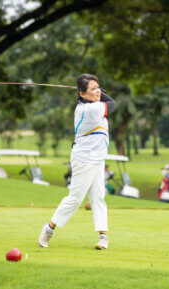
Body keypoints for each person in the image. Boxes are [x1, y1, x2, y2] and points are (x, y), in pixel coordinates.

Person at [38, 73, 116, 250]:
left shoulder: (91, 103)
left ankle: (103, 236)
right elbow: (112, 103)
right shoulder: (90, 109)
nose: (97, 92)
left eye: (98, 87)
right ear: (82, 94)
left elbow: (103, 100)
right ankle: (49, 229)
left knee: (98, 197)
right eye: (93, 89)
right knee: (75, 198)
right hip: (84, 159)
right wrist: (101, 93)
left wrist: (94, 90)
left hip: (98, 158)